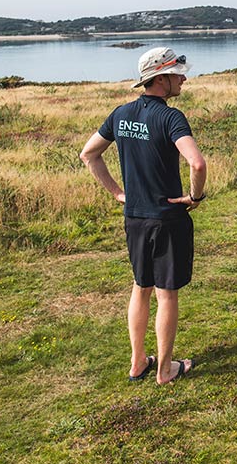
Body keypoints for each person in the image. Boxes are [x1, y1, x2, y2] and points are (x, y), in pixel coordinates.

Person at [80, 47, 207, 385]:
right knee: (166, 294)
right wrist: (195, 197)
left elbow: (88, 154)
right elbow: (197, 163)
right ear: (161, 79)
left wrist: (119, 194)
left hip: (135, 217)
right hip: (168, 217)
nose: (184, 77)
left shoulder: (121, 114)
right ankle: (165, 369)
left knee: (140, 287)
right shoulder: (171, 117)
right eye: (178, 72)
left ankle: (138, 362)